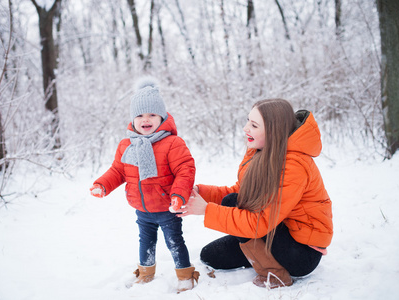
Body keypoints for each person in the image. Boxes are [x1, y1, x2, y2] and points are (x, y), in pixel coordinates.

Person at [176, 98, 333, 289]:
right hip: (274, 230)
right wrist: (202, 192)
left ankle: (275, 273)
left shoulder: (293, 166)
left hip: (300, 251)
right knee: (210, 255)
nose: (245, 128)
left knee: (231, 202)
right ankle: (256, 250)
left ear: (273, 131)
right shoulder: (261, 151)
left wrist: (206, 210)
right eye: (248, 121)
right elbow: (243, 192)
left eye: (254, 125)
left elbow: (260, 221)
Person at [90, 77, 199, 293]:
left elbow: (185, 171)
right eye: (139, 115)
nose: (145, 119)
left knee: (175, 242)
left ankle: (185, 275)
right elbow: (118, 170)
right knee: (145, 242)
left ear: (162, 117)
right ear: (133, 119)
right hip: (142, 209)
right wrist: (103, 184)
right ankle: (146, 274)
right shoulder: (126, 145)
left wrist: (179, 196)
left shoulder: (172, 143)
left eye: (151, 114)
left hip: (168, 208)